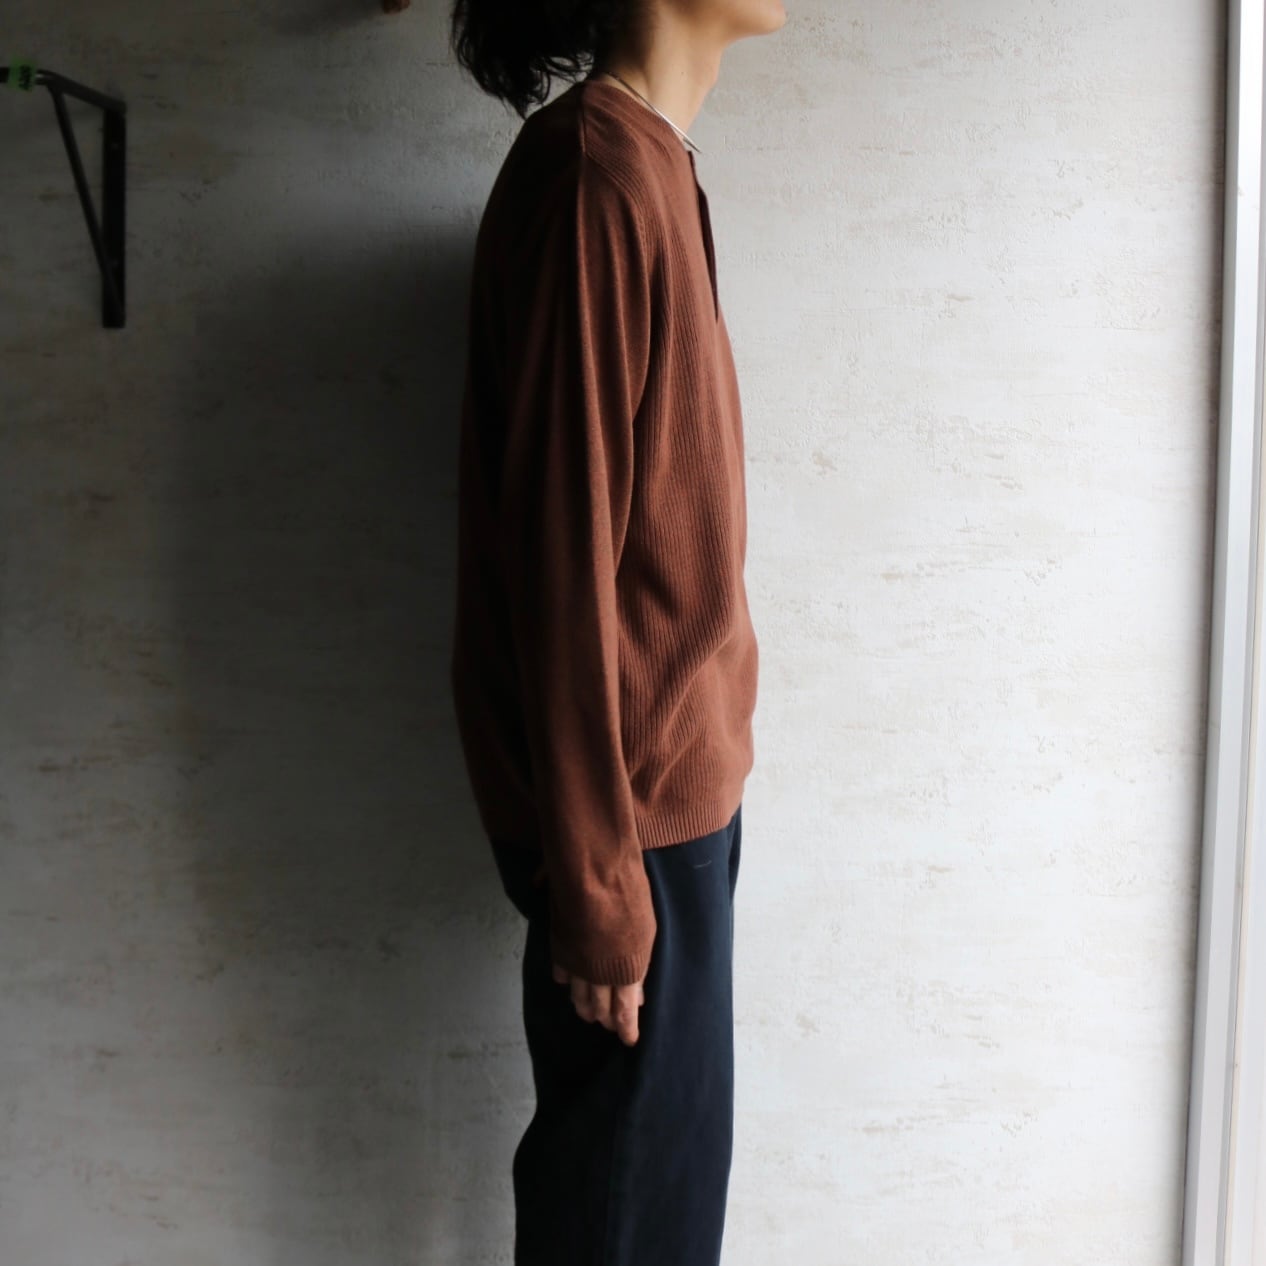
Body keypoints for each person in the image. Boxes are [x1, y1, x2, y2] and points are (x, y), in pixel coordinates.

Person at [447, 2, 783, 1261]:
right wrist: (597, 886)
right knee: (625, 1226)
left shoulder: (647, 162)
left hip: (668, 809)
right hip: (628, 829)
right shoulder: (597, 179)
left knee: (658, 1219)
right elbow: (560, 562)